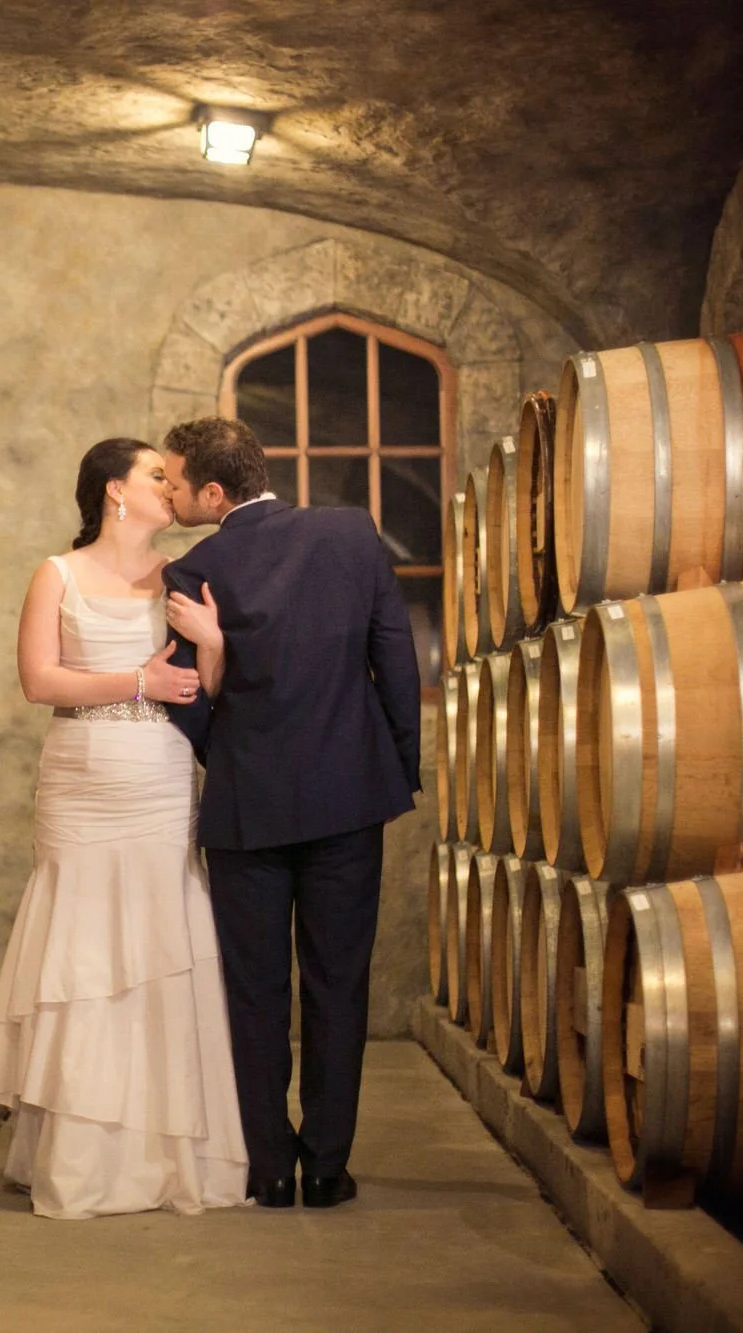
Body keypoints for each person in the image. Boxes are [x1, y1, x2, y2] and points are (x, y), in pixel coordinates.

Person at [0, 437, 249, 1219]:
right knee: (87, 952)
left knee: (159, 947)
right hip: (82, 777)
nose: (172, 487)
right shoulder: (56, 574)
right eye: (155, 476)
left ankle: (165, 1157)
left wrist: (216, 644)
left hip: (160, 777)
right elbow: (39, 679)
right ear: (113, 493)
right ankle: (83, 1157)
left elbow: (208, 688)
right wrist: (139, 679)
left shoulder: (184, 578)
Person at [159, 416, 420, 1211]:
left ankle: (270, 1166)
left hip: (249, 808)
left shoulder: (193, 569)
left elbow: (185, 699)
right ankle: (328, 1165)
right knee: (340, 984)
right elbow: (396, 660)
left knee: (256, 988)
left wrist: (226, 751)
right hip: (350, 798)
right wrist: (393, 769)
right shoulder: (351, 534)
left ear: (213, 490)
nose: (168, 495)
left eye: (174, 481)